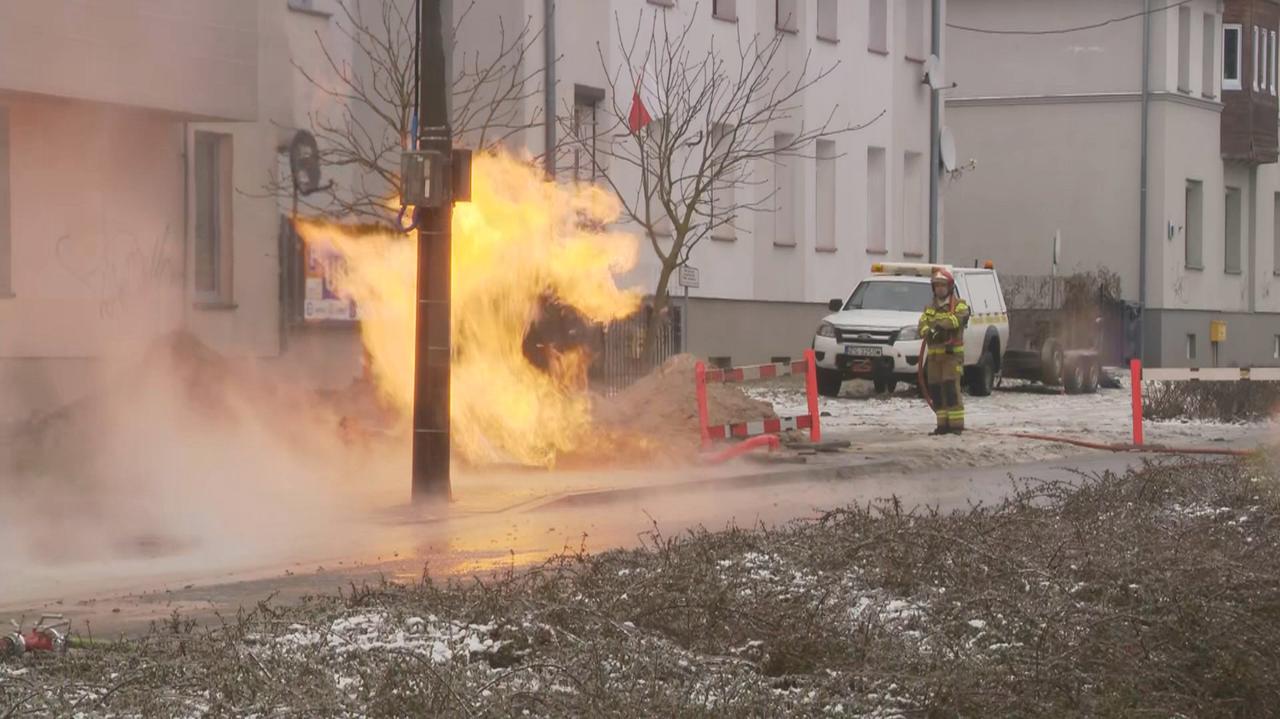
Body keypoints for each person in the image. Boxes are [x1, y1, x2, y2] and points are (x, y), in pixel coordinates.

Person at [919, 268, 970, 435]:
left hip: (951, 357)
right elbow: (922, 324)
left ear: (950, 287)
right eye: (937, 285)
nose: (940, 289)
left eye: (943, 285)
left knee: (950, 389)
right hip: (934, 358)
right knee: (936, 390)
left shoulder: (959, 304)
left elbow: (958, 319)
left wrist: (939, 327)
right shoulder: (929, 307)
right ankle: (942, 425)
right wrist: (928, 330)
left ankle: (956, 426)